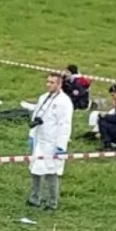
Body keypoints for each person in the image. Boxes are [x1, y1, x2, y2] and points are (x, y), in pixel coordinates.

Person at [28, 73, 74, 211]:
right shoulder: (43, 97)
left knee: (51, 172)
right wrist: (31, 136)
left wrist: (61, 146)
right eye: (47, 81)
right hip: (40, 140)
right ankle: (34, 198)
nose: (48, 84)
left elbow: (65, 125)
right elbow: (36, 117)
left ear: (59, 85)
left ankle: (52, 202)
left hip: (52, 142)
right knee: (35, 169)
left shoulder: (64, 102)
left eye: (52, 82)